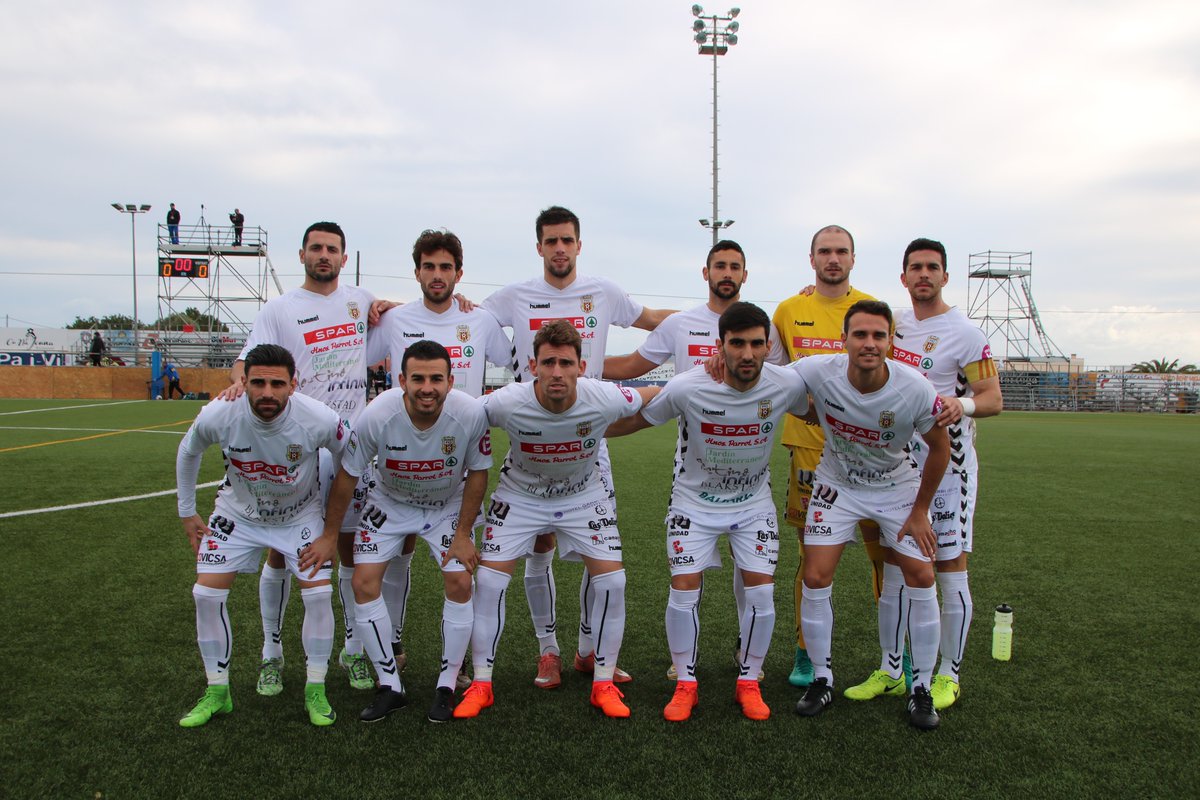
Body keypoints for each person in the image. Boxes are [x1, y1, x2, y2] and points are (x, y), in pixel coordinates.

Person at [480, 205, 674, 690]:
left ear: (579, 245)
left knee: (598, 552)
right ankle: (549, 651)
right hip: (530, 434)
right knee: (539, 548)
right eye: (551, 240)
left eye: (568, 240)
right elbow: (462, 320)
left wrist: (716, 321)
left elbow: (655, 320)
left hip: (586, 434)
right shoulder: (515, 296)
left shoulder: (603, 291)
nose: (560, 248)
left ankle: (588, 652)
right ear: (540, 246)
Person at [608, 303, 808, 721]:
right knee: (683, 590)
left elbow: (827, 408)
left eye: (757, 344)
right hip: (693, 505)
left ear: (768, 346)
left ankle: (749, 682)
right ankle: (686, 684)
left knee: (761, 593)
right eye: (737, 344)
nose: (748, 354)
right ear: (720, 346)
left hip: (753, 505)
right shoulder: (688, 386)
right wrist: (579, 428)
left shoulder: (786, 385)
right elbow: (640, 419)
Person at [221, 221, 392, 699]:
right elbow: (248, 358)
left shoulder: (360, 301)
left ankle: (352, 651)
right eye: (315, 248)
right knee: (281, 549)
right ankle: (272, 656)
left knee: (349, 549)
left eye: (331, 249)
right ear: (301, 255)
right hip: (295, 447)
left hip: (350, 445)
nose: (323, 255)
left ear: (343, 256)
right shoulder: (280, 309)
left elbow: (401, 319)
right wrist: (238, 382)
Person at [454, 320, 655, 719]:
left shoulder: (604, 396)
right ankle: (481, 682)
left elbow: (653, 394)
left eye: (566, 363)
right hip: (521, 496)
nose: (557, 372)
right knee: (491, 581)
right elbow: (460, 415)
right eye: (549, 363)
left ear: (582, 367)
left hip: (583, 495)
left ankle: (602, 683)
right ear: (533, 366)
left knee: (613, 581)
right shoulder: (506, 401)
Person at [605, 239, 783, 682]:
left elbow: (780, 378)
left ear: (745, 275)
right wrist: (572, 367)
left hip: (749, 464)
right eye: (719, 266)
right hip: (694, 468)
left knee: (753, 571)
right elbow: (630, 364)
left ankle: (748, 651)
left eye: (735, 267)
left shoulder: (763, 330)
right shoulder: (682, 324)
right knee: (689, 574)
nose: (727, 273)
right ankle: (685, 659)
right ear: (705, 273)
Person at [841, 238, 1002, 712]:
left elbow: (993, 397)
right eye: (915, 268)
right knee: (894, 566)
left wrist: (963, 403)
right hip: (896, 467)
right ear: (903, 277)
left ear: (945, 276)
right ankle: (892, 670)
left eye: (933, 267)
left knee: (948, 566)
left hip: (948, 469)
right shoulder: (893, 325)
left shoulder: (966, 334)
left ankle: (948, 674)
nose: (924, 275)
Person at [298, 340, 492, 723]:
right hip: (390, 502)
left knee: (459, 582)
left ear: (451, 381)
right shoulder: (378, 414)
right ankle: (391, 685)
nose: (427, 387)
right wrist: (329, 535)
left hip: (446, 505)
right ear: (401, 379)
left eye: (436, 378)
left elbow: (479, 473)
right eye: (417, 378)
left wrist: (464, 533)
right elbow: (348, 476)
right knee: (363, 583)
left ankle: (446, 685)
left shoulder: (469, 414)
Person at [788, 300, 950, 731]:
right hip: (836, 484)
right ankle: (822, 680)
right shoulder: (817, 370)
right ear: (844, 340)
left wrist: (919, 512)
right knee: (816, 576)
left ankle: (922, 689)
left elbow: (941, 448)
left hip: (896, 488)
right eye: (860, 334)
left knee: (921, 576)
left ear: (891, 341)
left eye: (879, 335)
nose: (869, 343)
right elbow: (766, 377)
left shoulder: (913, 387)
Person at [175, 344, 347, 728]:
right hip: (238, 514)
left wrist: (330, 529)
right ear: (244, 382)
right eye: (258, 383)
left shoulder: (317, 418)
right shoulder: (219, 413)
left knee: (318, 593)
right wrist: (187, 513)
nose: (267, 393)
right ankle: (217, 692)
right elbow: (188, 451)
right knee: (205, 594)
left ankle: (315, 689)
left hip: (298, 515)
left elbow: (349, 458)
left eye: (277, 384)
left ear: (293, 385)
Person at [371, 229, 511, 675]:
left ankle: (466, 664)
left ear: (459, 273)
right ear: (416, 272)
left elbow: (514, 362)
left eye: (445, 267)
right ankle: (391, 644)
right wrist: (377, 309)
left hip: (460, 463)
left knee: (463, 566)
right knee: (398, 553)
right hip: (402, 459)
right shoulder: (394, 321)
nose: (437, 275)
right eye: (428, 267)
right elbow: (360, 355)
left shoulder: (482, 320)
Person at [771, 225, 884, 688]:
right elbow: (774, 376)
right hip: (808, 449)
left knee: (885, 555)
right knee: (810, 555)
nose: (833, 259)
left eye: (841, 252)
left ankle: (897, 656)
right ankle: (804, 652)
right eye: (825, 252)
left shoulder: (871, 310)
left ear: (853, 259)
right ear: (811, 259)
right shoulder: (789, 310)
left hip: (869, 452)